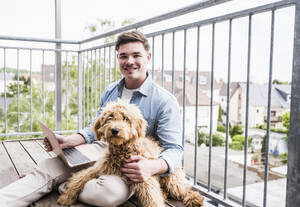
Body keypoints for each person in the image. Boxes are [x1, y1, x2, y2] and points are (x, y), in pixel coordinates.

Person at [0, 30, 183, 207]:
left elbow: (175, 149)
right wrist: (72, 140)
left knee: (109, 193)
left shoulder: (165, 101)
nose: (130, 61)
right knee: (48, 167)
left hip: (132, 164)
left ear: (148, 57)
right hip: (102, 149)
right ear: (118, 58)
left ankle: (62, 185)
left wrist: (151, 167)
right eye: (123, 56)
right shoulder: (111, 90)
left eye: (136, 55)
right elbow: (95, 129)